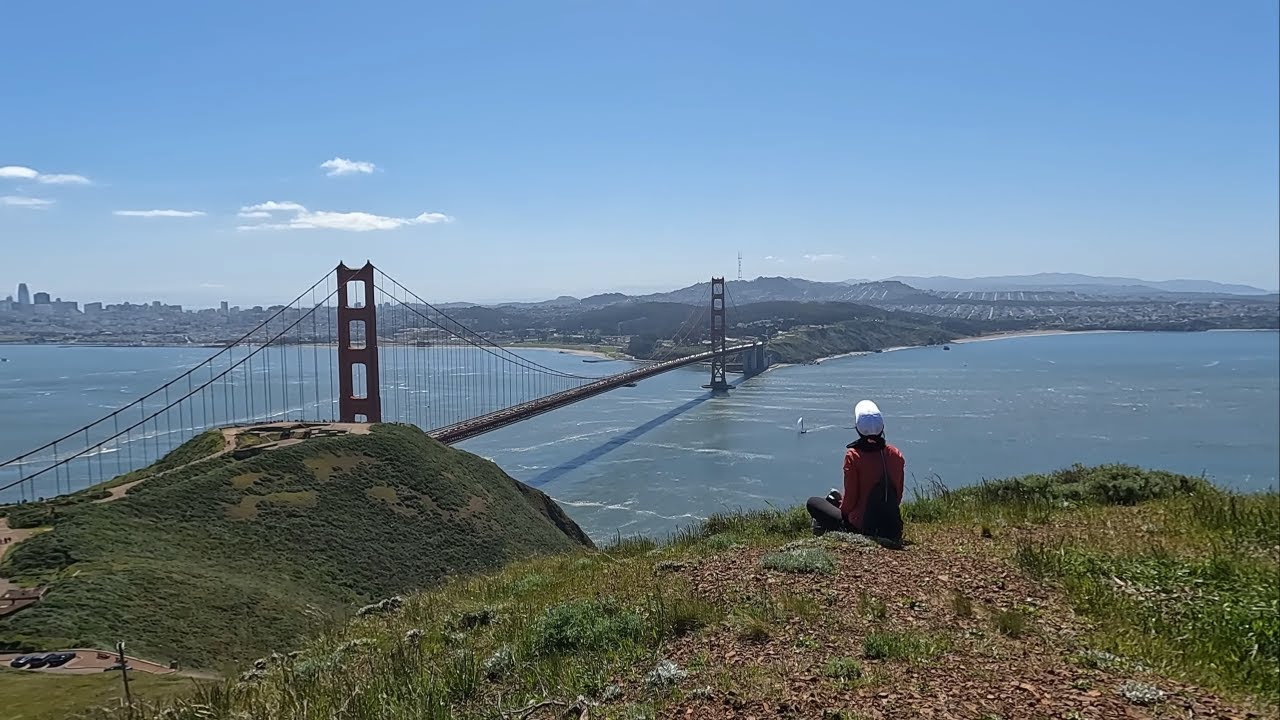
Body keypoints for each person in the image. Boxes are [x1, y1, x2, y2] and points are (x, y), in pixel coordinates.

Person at [806, 399, 906, 543]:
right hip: (892, 527)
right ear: (882, 427)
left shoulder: (854, 456)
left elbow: (849, 504)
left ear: (858, 428)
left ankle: (832, 530)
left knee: (814, 502)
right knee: (834, 497)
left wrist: (842, 508)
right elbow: (897, 497)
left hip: (862, 526)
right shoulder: (896, 454)